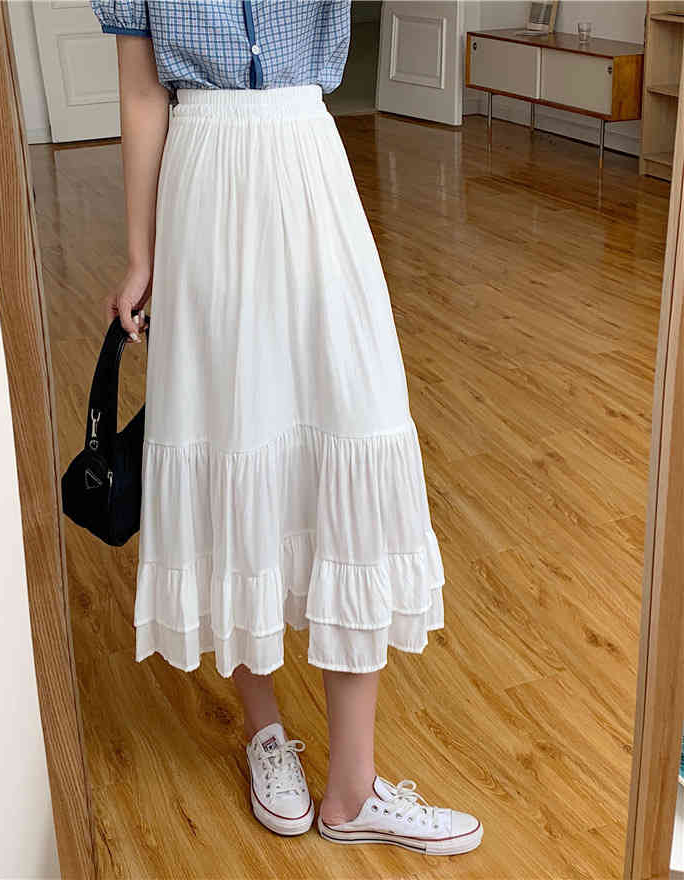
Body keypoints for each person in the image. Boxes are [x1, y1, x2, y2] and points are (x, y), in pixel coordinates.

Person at [90, 0, 481, 855]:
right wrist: (142, 254)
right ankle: (265, 732)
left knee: (358, 427)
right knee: (236, 446)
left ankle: (353, 789)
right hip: (204, 179)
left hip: (309, 163)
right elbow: (144, 93)